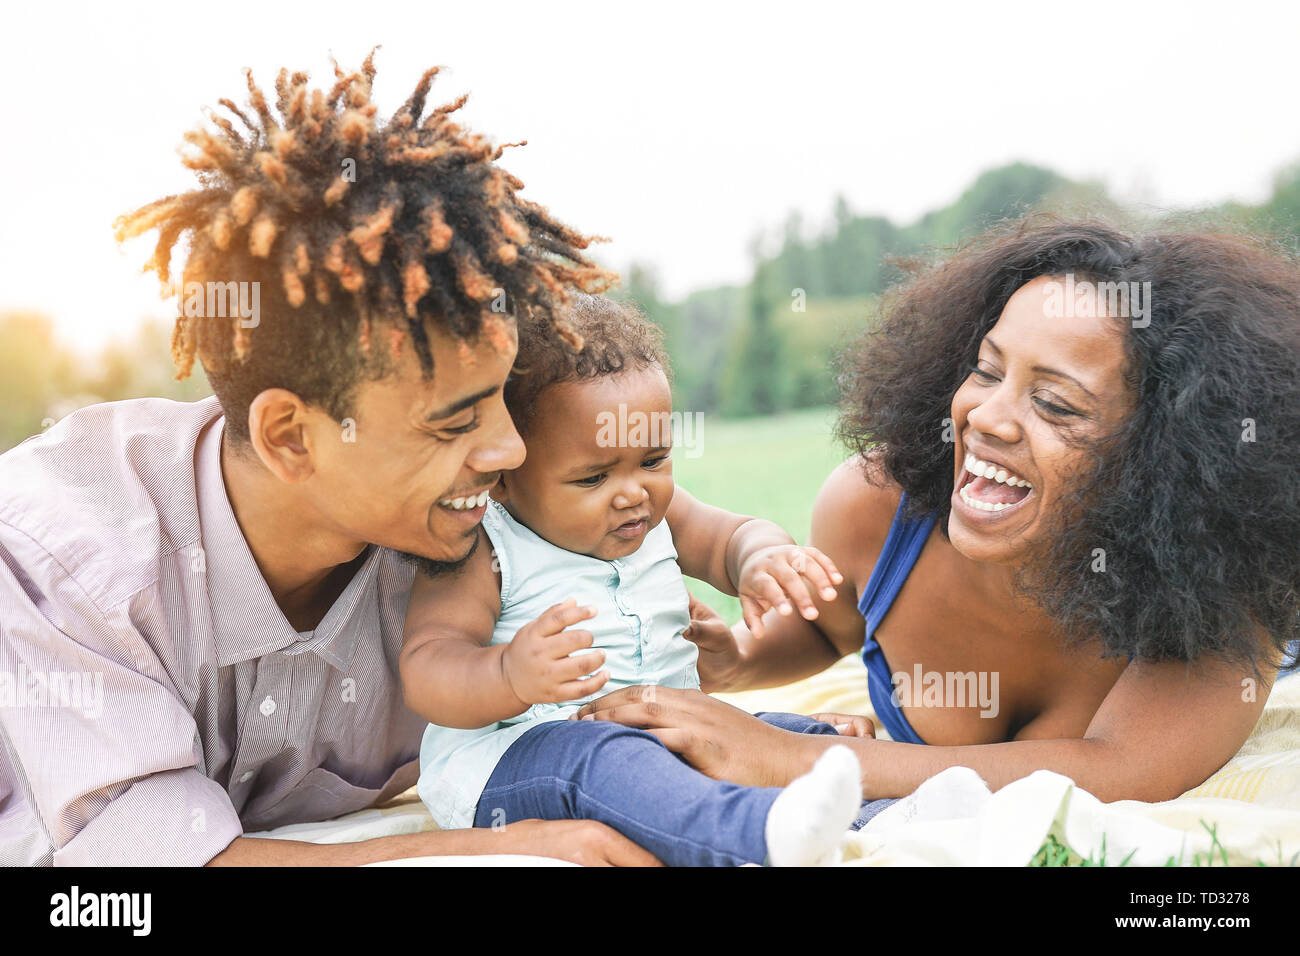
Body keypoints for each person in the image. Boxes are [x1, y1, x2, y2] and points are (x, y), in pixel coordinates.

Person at [0, 54, 659, 866]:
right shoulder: (61, 555)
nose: (509, 449)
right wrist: (499, 853)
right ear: (290, 438)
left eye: (502, 399)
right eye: (453, 424)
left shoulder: (479, 530)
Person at [575, 218, 1300, 808]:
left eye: (1055, 404)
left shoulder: (1218, 595)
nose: (988, 416)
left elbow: (1119, 768)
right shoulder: (874, 510)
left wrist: (796, 757)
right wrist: (738, 664)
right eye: (986, 369)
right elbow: (837, 628)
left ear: (1167, 452)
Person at [402, 296, 862, 866]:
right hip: (520, 761)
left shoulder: (655, 515)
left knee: (776, 736)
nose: (632, 492)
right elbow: (426, 667)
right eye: (593, 477)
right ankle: (750, 836)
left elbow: (731, 536)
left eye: (653, 460)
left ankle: (881, 811)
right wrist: (508, 674)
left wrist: (761, 559)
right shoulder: (486, 547)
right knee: (609, 759)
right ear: (504, 477)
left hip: (669, 738)